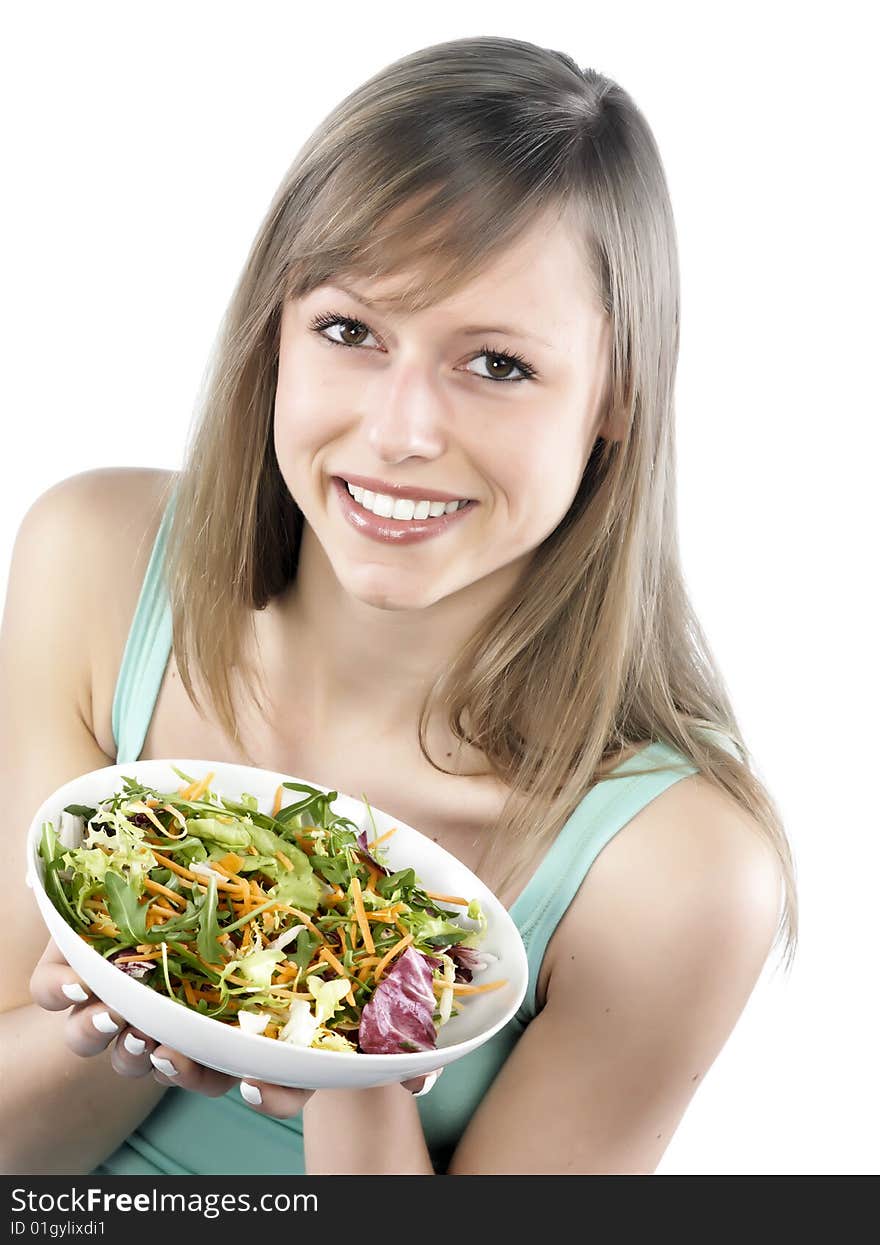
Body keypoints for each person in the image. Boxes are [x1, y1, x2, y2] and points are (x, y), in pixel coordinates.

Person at [0, 34, 797, 1176]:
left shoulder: (681, 870)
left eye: (498, 364)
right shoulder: (95, 563)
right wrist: (148, 998)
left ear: (617, 394)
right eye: (350, 331)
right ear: (274, 330)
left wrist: (352, 1065)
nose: (401, 431)